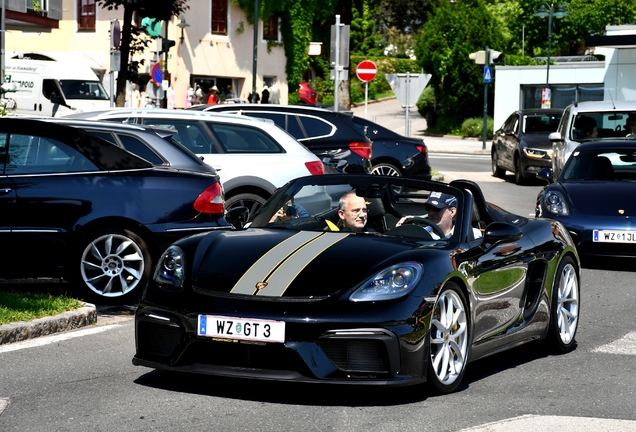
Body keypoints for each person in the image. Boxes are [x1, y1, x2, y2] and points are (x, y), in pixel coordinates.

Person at [397, 192, 482, 239]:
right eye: (428, 208)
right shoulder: (421, 233)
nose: (430, 213)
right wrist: (400, 232)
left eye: (437, 208)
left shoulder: (471, 235)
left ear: (452, 212)